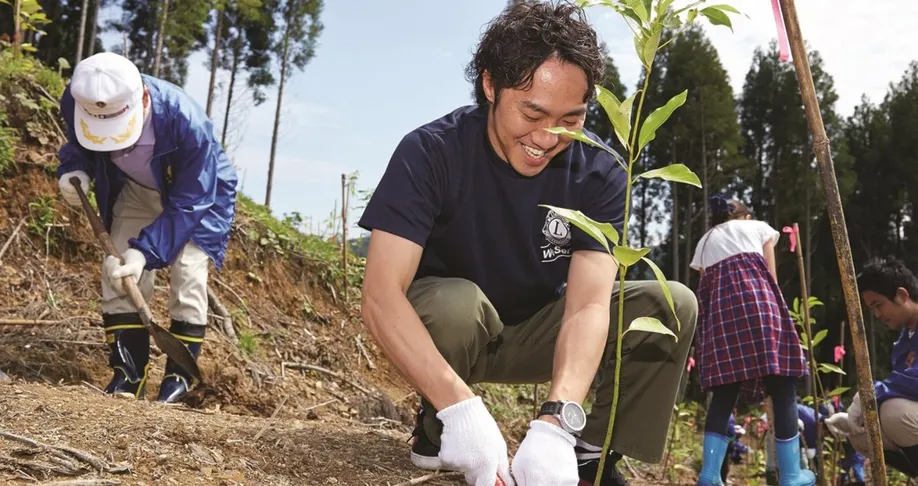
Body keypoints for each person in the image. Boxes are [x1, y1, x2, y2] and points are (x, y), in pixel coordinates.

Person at [357, 2, 697, 485]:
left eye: (570, 119)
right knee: (455, 304)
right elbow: (380, 297)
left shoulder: (599, 172)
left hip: (543, 331)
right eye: (532, 112)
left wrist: (558, 423)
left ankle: (586, 453)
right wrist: (463, 412)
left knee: (670, 304)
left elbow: (586, 307)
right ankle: (442, 424)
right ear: (490, 85)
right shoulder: (431, 152)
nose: (548, 136)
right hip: (459, 330)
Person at [56, 52, 238, 404]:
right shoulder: (78, 96)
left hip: (200, 195)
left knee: (188, 274)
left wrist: (146, 252)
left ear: (141, 98)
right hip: (134, 187)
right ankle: (128, 375)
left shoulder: (186, 122)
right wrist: (74, 168)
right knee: (118, 270)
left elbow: (189, 203)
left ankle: (179, 381)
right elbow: (78, 142)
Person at [689, 194, 814, 486]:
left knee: (723, 392)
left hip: (721, 319)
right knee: (782, 386)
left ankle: (709, 475)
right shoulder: (758, 227)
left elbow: (706, 287)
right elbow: (769, 275)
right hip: (761, 309)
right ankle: (792, 475)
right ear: (745, 216)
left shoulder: (705, 242)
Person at [827, 255, 918, 477]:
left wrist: (872, 393)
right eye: (872, 309)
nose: (877, 314)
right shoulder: (903, 343)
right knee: (861, 434)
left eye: (879, 305)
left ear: (902, 295)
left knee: (893, 413)